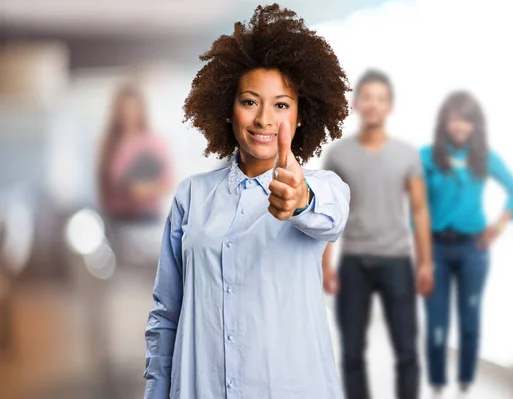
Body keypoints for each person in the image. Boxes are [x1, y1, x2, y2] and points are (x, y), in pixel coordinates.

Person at [143, 4, 351, 398]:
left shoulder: (325, 187)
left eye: (282, 105)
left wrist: (300, 200)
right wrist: (156, 391)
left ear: (302, 115)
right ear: (229, 108)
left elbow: (331, 217)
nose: (264, 120)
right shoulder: (191, 195)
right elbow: (166, 313)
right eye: (250, 101)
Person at [322, 70, 434, 399]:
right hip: (354, 262)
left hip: (397, 261)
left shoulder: (406, 154)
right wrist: (326, 265)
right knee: (352, 354)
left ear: (390, 107)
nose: (373, 105)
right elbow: (329, 214)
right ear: (357, 104)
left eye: (380, 99)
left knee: (407, 352)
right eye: (367, 98)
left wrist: (425, 263)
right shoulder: (339, 154)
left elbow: (420, 210)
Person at [420, 91, 513, 398]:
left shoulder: (486, 157)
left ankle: (465, 383)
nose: (460, 126)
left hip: (472, 250)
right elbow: (418, 207)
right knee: (437, 323)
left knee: (469, 320)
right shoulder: (427, 156)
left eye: (467, 120)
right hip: (436, 248)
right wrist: (422, 254)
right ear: (445, 121)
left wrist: (498, 227)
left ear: (476, 124)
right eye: (455, 119)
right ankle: (437, 384)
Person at [97, 84, 173, 222]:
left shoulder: (153, 143)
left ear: (141, 110)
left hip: (146, 220)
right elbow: (103, 187)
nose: (128, 114)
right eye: (123, 109)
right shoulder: (110, 144)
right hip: (115, 220)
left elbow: (167, 183)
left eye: (132, 108)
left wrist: (144, 190)